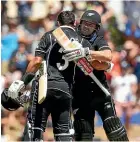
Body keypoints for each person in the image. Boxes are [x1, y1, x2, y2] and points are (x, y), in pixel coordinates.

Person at [5, 11, 93, 141]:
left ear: (58, 23)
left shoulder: (49, 36)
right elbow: (89, 68)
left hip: (44, 88)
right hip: (65, 90)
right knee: (63, 134)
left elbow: (37, 61)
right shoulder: (82, 41)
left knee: (35, 130)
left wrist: (22, 82)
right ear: (75, 23)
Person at [64, 10, 129, 141]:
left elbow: (108, 56)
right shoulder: (71, 39)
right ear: (79, 23)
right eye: (85, 23)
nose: (86, 26)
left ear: (96, 28)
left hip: (100, 92)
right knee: (83, 135)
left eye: (91, 24)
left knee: (115, 131)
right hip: (79, 94)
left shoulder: (98, 40)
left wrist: (86, 52)